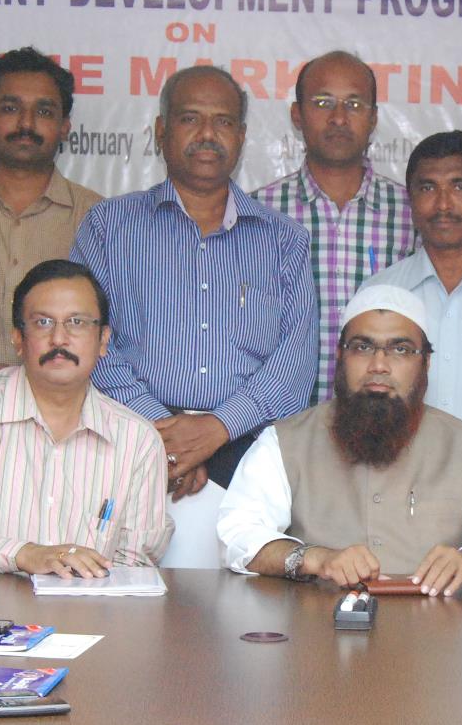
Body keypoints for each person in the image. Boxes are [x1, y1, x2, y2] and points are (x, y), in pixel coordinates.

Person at [71, 65, 316, 498]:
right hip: (127, 441)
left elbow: (295, 363)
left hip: (249, 453)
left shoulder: (284, 240)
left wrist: (218, 427)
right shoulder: (108, 227)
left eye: (223, 121)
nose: (207, 134)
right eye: (190, 118)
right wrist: (162, 432)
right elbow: (84, 337)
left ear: (241, 136)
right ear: (161, 131)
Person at [219, 285, 462, 592]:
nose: (379, 365)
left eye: (400, 350)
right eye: (362, 347)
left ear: (426, 362)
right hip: (315, 625)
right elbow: (238, 534)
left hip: (437, 627)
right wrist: (313, 558)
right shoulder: (284, 442)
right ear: (339, 356)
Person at [0, 259, 172, 574]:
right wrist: (23, 554)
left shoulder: (137, 440)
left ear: (103, 340)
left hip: (86, 605)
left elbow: (133, 567)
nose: (59, 339)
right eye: (43, 322)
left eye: (77, 322)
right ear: (18, 338)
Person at [254, 51, 412, 401]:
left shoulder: (410, 213)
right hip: (283, 420)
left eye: (354, 105)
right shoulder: (258, 212)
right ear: (297, 114)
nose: (339, 118)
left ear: (373, 118)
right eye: (323, 102)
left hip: (384, 420)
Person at [0, 48, 103, 369]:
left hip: (63, 397)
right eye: (10, 108)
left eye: (44, 111)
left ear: (64, 126)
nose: (26, 123)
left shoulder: (99, 219)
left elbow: (110, 333)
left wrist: (15, 379)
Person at [359, 131, 462, 429]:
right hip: (400, 458)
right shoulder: (380, 294)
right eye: (428, 188)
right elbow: (360, 407)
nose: (443, 204)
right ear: (411, 201)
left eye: (459, 186)